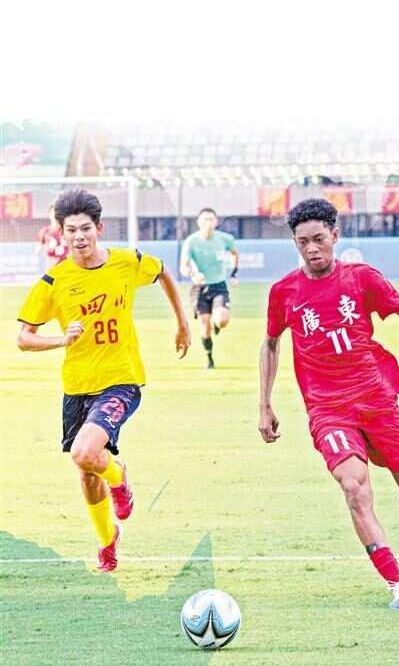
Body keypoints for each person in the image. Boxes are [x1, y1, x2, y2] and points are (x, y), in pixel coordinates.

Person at [259, 198, 399, 610]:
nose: (311, 249)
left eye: (318, 239)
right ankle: (398, 583)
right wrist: (265, 404)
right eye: (302, 242)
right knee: (353, 487)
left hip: (376, 400)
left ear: (335, 235)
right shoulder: (284, 292)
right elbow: (272, 343)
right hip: (328, 410)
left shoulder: (362, 279)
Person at [17, 189, 192, 572]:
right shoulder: (54, 281)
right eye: (71, 230)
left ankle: (119, 477)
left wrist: (182, 324)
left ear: (99, 228)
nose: (79, 237)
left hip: (121, 380)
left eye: (85, 228)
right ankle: (107, 540)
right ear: (61, 233)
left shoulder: (126, 262)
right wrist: (62, 339)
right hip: (77, 386)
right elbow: (24, 338)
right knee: (85, 470)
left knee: (85, 453)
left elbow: (163, 272)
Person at [180, 208, 239, 369]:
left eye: (211, 219)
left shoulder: (225, 239)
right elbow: (183, 266)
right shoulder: (191, 241)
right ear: (198, 222)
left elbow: (235, 253)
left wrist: (234, 273)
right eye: (205, 219)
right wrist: (193, 274)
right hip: (199, 288)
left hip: (219, 286)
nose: (208, 223)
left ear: (216, 221)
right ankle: (209, 359)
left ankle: (216, 323)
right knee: (204, 327)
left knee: (222, 320)